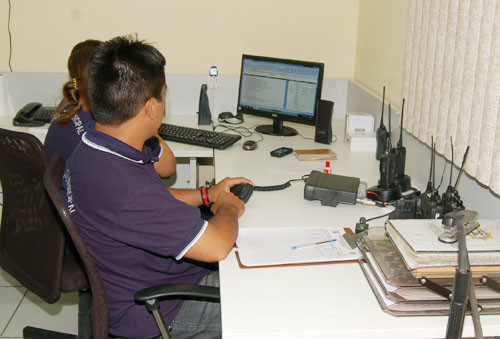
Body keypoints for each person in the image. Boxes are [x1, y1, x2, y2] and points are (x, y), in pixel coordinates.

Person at [61, 35, 253, 339]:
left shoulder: (91, 149)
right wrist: (228, 207)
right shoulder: (124, 187)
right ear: (150, 107)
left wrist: (207, 195)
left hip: (136, 282)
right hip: (159, 308)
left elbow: (151, 199)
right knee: (271, 300)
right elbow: (217, 245)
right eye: (163, 96)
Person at [44, 39, 176, 178]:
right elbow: (168, 167)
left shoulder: (64, 112)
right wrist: (150, 123)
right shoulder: (105, 123)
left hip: (72, 193)